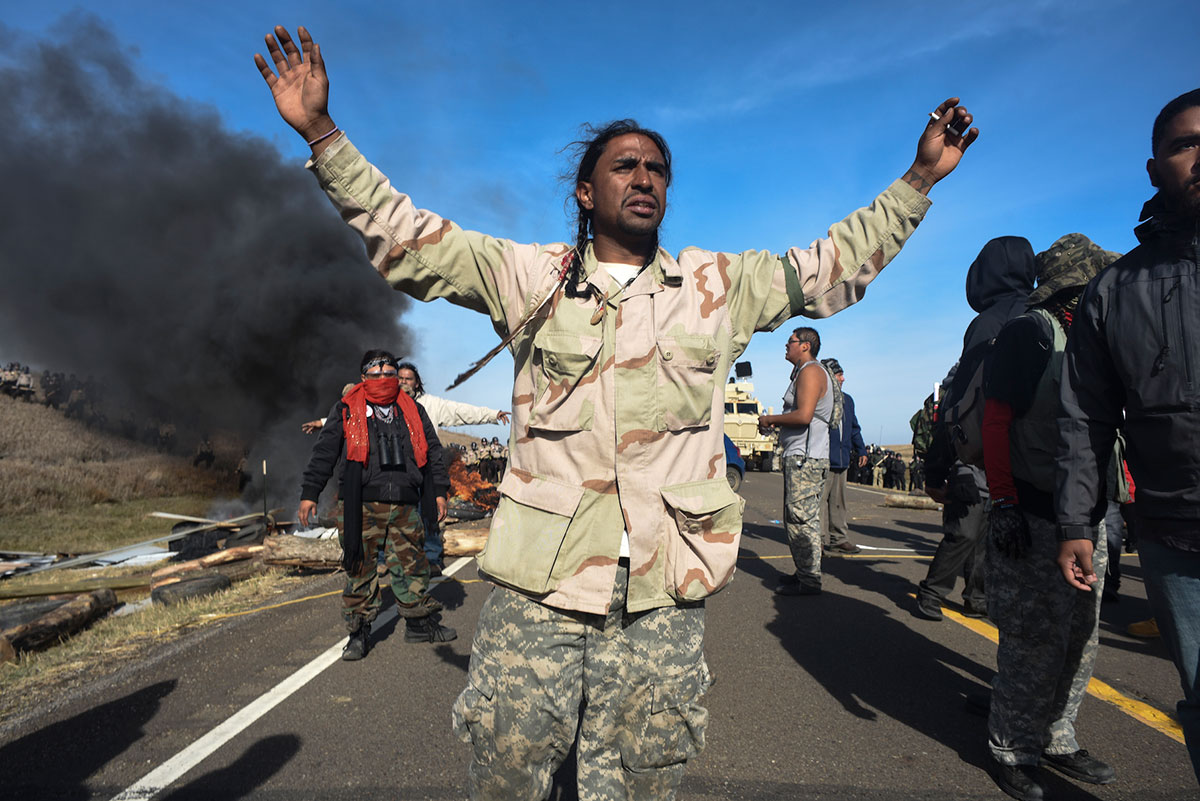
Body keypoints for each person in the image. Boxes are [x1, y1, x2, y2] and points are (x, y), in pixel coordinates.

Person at [255, 24, 977, 799]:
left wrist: (917, 179)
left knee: (641, 775)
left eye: (657, 168)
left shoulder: (717, 288)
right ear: (585, 191)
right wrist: (323, 134)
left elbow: (829, 266)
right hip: (543, 586)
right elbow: (411, 240)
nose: (644, 177)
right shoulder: (529, 278)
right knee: (507, 767)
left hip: (664, 588)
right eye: (624, 165)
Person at [1056, 88, 1200, 786]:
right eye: (1185, 143)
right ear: (1154, 167)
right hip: (1175, 531)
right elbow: (1085, 416)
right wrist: (1076, 522)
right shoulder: (1115, 290)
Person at [982, 234, 1122, 800]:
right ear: (1075, 288)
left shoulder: (1094, 339)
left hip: (1086, 518)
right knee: (1033, 641)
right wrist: (1005, 503)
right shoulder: (1030, 333)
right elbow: (996, 423)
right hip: (1034, 512)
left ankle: (1058, 737)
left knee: (1082, 635)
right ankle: (1013, 748)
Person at [298, 349, 454, 659]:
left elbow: (433, 452)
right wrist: (310, 492)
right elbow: (325, 452)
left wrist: (439, 491)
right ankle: (359, 633)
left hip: (406, 504)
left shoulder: (412, 410)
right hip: (361, 505)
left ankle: (418, 623)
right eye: (376, 374)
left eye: (389, 374)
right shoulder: (346, 409)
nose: (383, 379)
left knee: (412, 565)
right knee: (360, 567)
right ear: (363, 377)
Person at [916, 237, 1036, 622]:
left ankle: (955, 593)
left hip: (983, 452)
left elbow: (958, 401)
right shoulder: (1044, 313)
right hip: (1035, 459)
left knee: (967, 531)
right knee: (981, 533)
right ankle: (967, 596)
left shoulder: (987, 323)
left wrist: (935, 467)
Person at [396, 360, 510, 575]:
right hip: (397, 473)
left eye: (408, 379)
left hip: (425, 470)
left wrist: (492, 414)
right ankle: (393, 560)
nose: (403, 382)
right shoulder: (387, 405)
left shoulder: (431, 404)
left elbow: (461, 411)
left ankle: (432, 558)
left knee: (429, 515)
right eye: (400, 378)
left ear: (417, 383)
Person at [758, 328, 839, 594]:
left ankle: (809, 580)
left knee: (801, 520)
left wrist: (770, 419)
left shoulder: (811, 371)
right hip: (805, 456)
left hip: (806, 458)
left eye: (790, 341)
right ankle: (805, 572)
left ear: (805, 346)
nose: (786, 345)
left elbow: (804, 416)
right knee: (800, 519)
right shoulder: (804, 371)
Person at [819, 358, 866, 554]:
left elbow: (854, 428)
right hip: (823, 459)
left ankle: (839, 538)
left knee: (839, 502)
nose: (843, 378)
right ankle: (818, 540)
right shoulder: (820, 398)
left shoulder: (848, 400)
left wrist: (861, 449)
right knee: (819, 502)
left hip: (842, 460)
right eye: (839, 375)